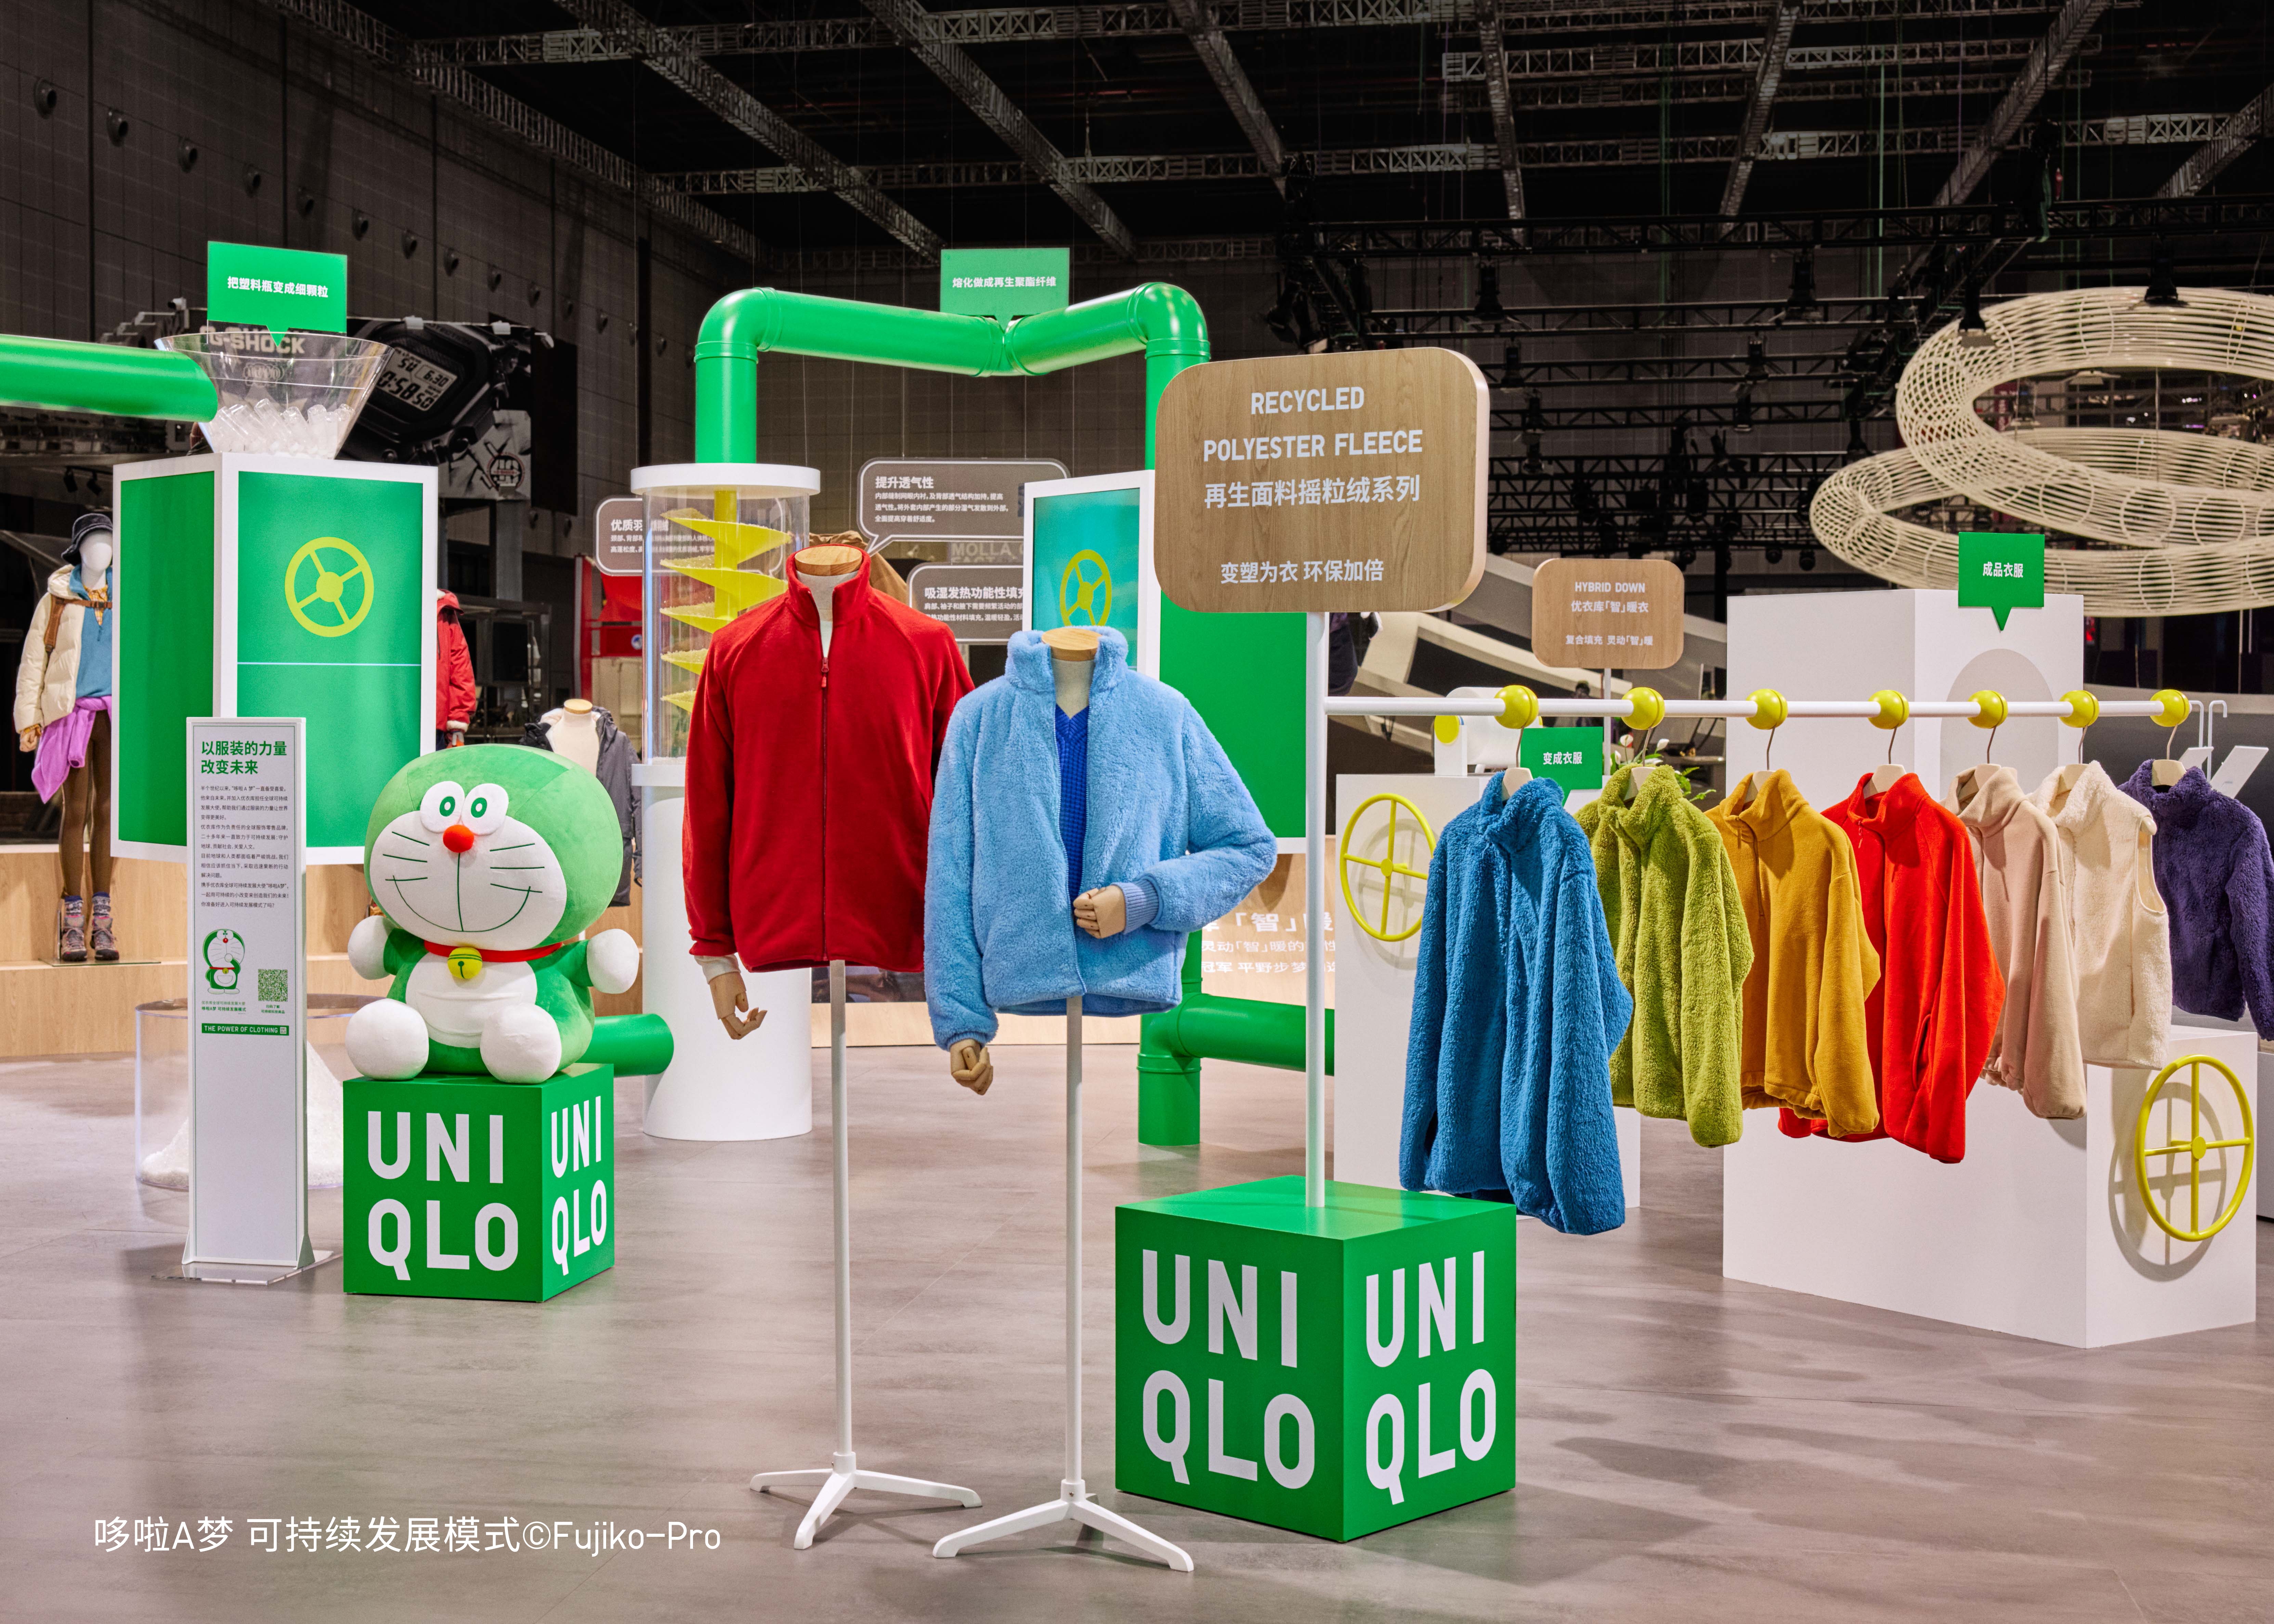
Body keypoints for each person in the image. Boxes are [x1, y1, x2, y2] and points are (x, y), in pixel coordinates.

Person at [14, 512, 118, 961]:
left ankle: (103, 919)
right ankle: (72, 917)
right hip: (71, 715)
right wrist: (29, 720)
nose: (103, 550)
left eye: (108, 541)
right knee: (75, 810)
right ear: (78, 550)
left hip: (115, 716)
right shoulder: (57, 599)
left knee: (109, 811)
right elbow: (33, 661)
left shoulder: (126, 597)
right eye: (94, 542)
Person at [436, 589, 476, 746]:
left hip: (435, 726)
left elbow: (460, 667)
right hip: (392, 718)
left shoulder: (443, 610)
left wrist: (458, 722)